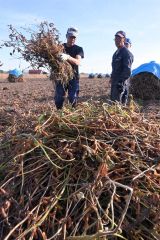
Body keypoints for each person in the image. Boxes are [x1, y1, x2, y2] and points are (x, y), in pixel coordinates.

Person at [54, 27, 84, 109]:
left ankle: (73, 115)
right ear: (66, 36)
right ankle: (59, 114)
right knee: (59, 98)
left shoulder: (78, 49)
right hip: (61, 77)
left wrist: (67, 57)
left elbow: (78, 62)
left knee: (72, 98)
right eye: (70, 36)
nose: (72, 39)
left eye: (74, 37)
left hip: (73, 77)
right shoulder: (60, 47)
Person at [110, 31, 134, 104]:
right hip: (114, 82)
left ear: (124, 39)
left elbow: (127, 71)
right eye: (116, 39)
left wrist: (120, 82)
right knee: (113, 104)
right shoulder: (116, 53)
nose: (117, 40)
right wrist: (112, 77)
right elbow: (114, 68)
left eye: (119, 38)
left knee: (118, 105)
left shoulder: (126, 53)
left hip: (120, 84)